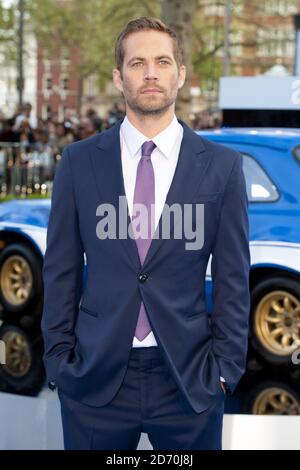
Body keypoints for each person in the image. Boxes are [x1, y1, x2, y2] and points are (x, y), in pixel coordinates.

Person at [41, 16, 250, 450]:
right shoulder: (79, 163)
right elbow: (59, 270)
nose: (151, 72)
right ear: (119, 77)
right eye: (137, 63)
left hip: (189, 381)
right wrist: (59, 362)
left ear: (181, 75)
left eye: (162, 61)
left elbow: (233, 279)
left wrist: (225, 371)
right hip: (94, 380)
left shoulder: (223, 167)